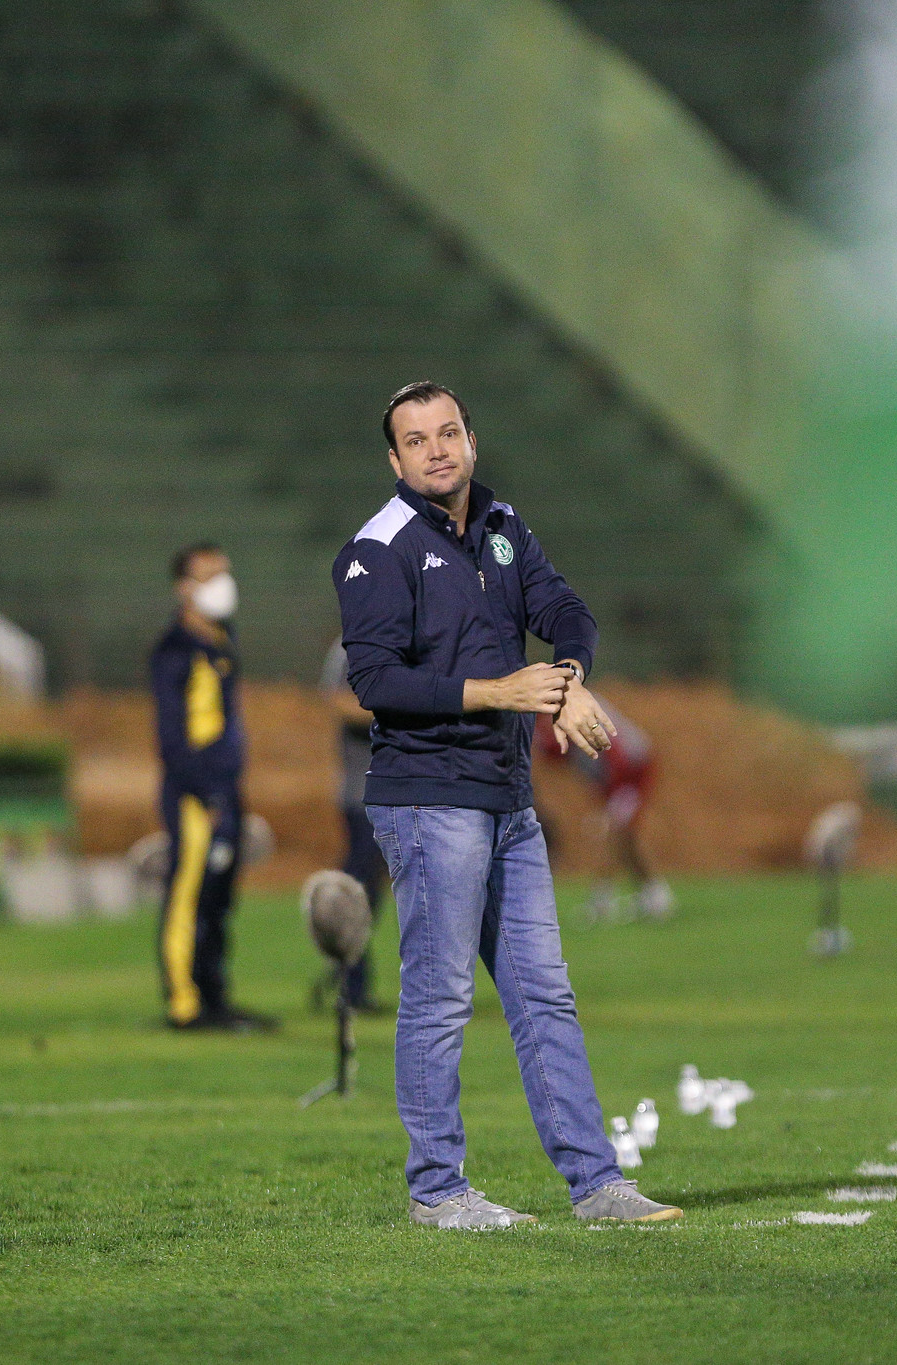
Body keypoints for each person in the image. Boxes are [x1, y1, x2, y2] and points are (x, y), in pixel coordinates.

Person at [333, 379, 679, 1228]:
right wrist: (500, 691)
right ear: (395, 459)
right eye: (416, 439)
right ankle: (438, 1190)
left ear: (472, 439)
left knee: (544, 994)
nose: (437, 449)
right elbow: (374, 680)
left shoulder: (502, 524)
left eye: (448, 432)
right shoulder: (374, 550)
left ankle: (596, 1185)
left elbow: (563, 607)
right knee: (441, 994)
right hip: (427, 801)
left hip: (508, 798)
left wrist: (565, 680)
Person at [150, 543, 273, 1032]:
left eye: (225, 572)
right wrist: (208, 793)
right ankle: (185, 1003)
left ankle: (217, 997)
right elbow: (173, 740)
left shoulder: (221, 640)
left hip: (224, 790)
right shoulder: (174, 652)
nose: (222, 583)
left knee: (220, 898)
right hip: (195, 795)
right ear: (184, 587)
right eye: (208, 576)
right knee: (189, 893)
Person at [534, 700, 671, 921]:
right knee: (624, 837)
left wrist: (608, 806)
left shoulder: (577, 709)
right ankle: (654, 894)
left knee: (613, 832)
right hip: (615, 777)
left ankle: (603, 901)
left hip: (632, 772)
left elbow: (615, 751)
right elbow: (563, 755)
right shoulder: (552, 717)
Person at [318, 639, 389, 1013]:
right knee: (358, 890)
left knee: (371, 894)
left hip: (397, 791)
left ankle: (344, 972)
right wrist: (398, 712)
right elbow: (338, 701)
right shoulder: (351, 647)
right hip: (361, 793)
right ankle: (351, 984)